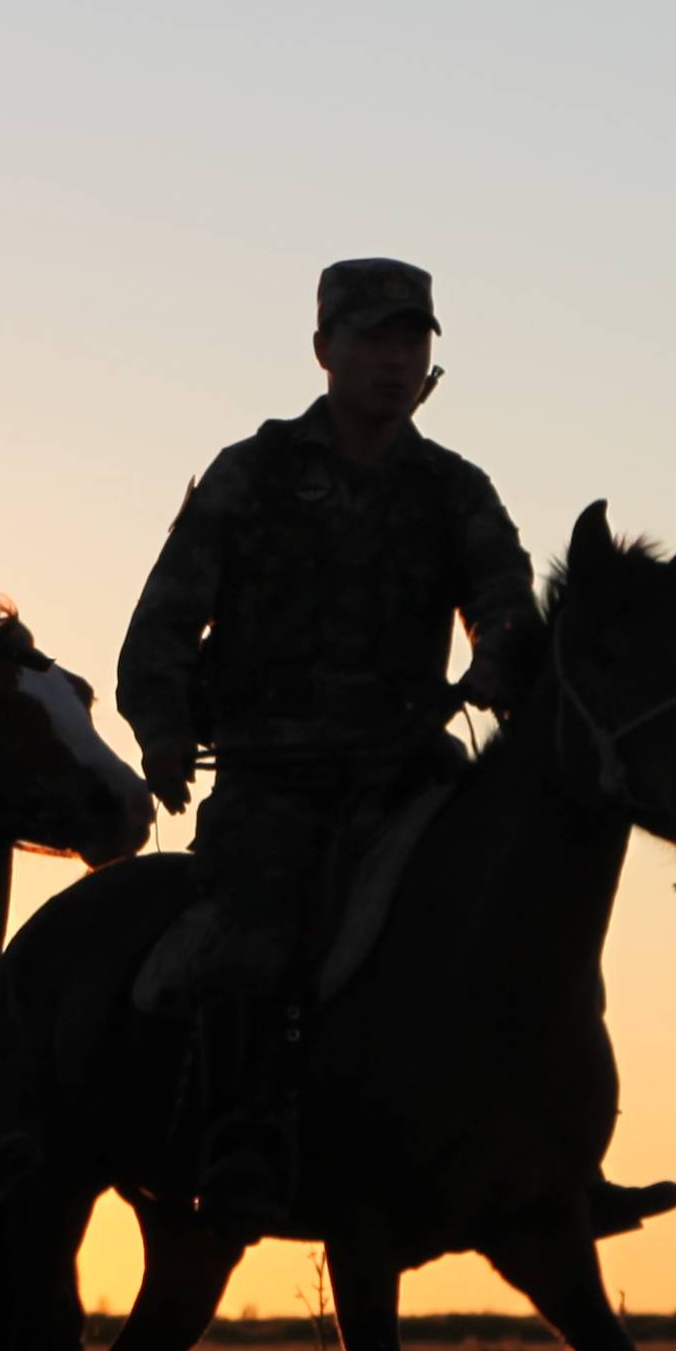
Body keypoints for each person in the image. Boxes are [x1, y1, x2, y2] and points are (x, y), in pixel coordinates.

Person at [116, 256, 540, 1218]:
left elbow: (508, 604)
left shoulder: (454, 490)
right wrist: (164, 728)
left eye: (411, 340)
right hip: (273, 779)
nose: (395, 360)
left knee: (516, 904)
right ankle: (237, 1140)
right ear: (323, 350)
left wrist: (502, 657)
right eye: (372, 338)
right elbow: (164, 624)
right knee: (255, 939)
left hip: (407, 772)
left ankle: (546, 1146)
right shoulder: (253, 473)